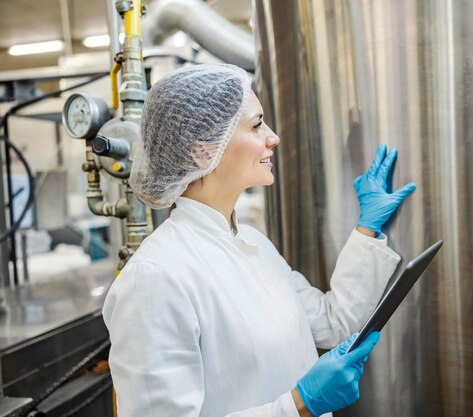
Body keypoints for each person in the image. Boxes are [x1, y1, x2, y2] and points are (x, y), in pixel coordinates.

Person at [102, 64, 416, 417]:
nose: (274, 137)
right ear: (202, 152)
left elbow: (332, 323)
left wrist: (367, 229)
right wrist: (298, 405)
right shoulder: (156, 278)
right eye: (256, 125)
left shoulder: (253, 243)